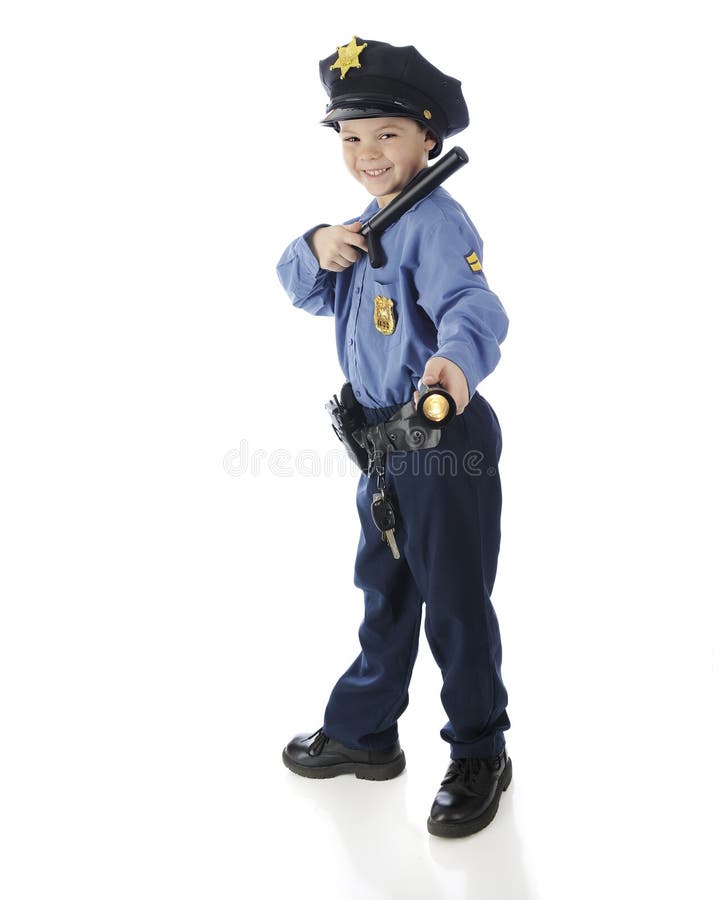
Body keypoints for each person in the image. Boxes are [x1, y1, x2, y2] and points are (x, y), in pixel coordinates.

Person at [276, 36, 512, 839]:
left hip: (442, 443)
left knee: (453, 602)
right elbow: (301, 289)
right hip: (380, 451)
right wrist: (317, 243)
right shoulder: (364, 225)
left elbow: (474, 308)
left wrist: (452, 364)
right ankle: (366, 729)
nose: (366, 153)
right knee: (384, 592)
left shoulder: (435, 224)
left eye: (385, 135)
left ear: (427, 140)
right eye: (349, 138)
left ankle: (481, 749)